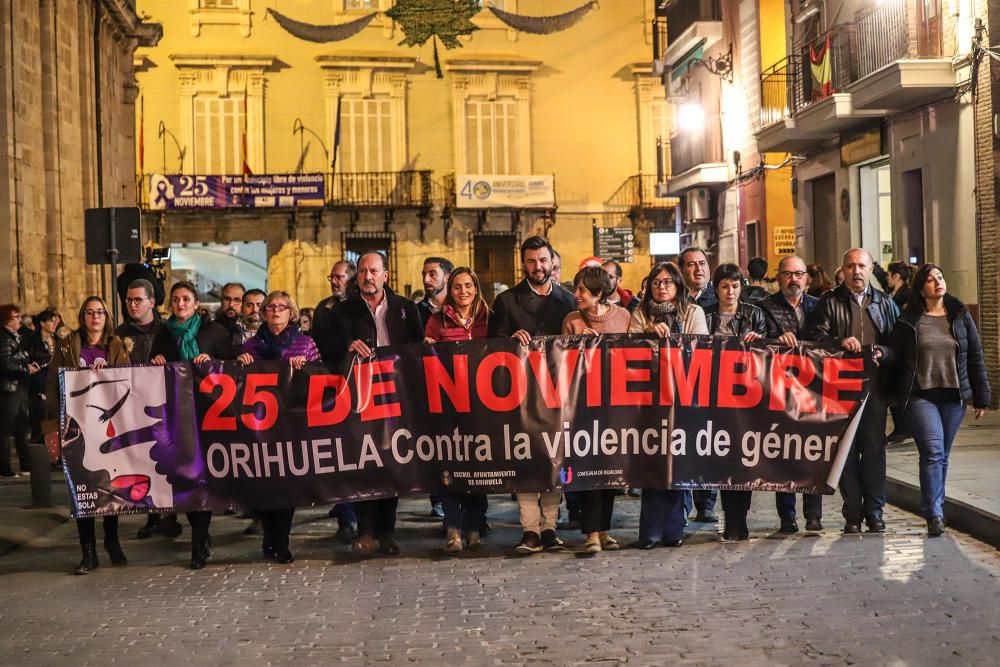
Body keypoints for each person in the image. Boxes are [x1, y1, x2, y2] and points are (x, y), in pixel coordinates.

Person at [326, 252, 423, 557]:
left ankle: (387, 532)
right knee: (364, 462)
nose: (368, 277)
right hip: (359, 398)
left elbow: (419, 349)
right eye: (363, 272)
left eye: (374, 271)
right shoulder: (342, 311)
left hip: (397, 397)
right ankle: (365, 531)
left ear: (386, 275)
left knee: (393, 462)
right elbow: (324, 347)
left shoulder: (406, 309)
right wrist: (346, 347)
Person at [489, 236, 576, 555]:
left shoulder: (568, 300)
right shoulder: (507, 301)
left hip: (559, 392)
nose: (537, 267)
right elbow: (491, 347)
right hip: (520, 393)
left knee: (554, 459)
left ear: (552, 261)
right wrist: (510, 340)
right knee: (525, 460)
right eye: (531, 261)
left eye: (543, 260)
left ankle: (550, 527)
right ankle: (530, 530)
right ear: (522, 264)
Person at [891, 264, 989, 537]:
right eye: (931, 279)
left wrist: (981, 396)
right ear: (921, 288)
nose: (937, 282)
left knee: (942, 455)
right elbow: (896, 357)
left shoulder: (959, 315)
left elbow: (975, 356)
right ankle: (933, 513)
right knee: (933, 453)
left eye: (940, 277)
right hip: (921, 396)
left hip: (953, 397)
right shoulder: (909, 318)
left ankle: (937, 505)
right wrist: (892, 394)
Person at [810, 248, 898, 534]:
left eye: (862, 266)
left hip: (874, 388)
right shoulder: (829, 301)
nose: (856, 271)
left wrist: (883, 353)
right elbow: (816, 339)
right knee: (844, 452)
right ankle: (853, 513)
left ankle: (875, 512)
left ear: (872, 269)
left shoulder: (885, 303)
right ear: (843, 270)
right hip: (839, 389)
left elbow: (898, 346)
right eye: (850, 266)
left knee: (874, 450)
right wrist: (838, 343)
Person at [151, 281, 236, 568]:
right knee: (185, 478)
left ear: (196, 302)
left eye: (186, 299)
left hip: (208, 415)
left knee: (204, 478)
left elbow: (232, 363)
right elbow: (149, 367)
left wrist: (212, 363)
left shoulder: (213, 331)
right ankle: (200, 535)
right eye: (175, 299)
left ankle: (199, 543)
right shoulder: (162, 335)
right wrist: (156, 360)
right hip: (176, 417)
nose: (180, 304)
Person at [45, 297, 130, 574]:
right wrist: (50, 430)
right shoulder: (68, 344)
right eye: (90, 312)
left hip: (108, 427)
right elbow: (54, 384)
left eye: (100, 313)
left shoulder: (116, 346)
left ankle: (112, 540)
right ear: (82, 316)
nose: (95, 317)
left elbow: (128, 382)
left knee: (109, 486)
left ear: (106, 317)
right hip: (75, 428)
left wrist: (109, 374)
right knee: (83, 490)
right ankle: (88, 551)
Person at [628, 261, 709, 549]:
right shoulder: (639, 314)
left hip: (683, 397)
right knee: (652, 465)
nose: (661, 288)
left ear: (677, 286)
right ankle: (649, 532)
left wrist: (671, 338)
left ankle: (674, 530)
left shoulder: (693, 312)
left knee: (678, 466)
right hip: (649, 399)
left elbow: (699, 346)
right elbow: (629, 348)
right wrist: (648, 333)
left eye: (667, 282)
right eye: (656, 283)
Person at [237, 291, 320, 563]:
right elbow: (238, 383)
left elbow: (320, 376)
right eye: (270, 307)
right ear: (263, 314)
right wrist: (241, 366)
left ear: (291, 313)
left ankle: (281, 542)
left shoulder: (305, 343)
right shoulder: (251, 346)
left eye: (281, 307)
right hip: (260, 424)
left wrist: (305, 368)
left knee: (286, 485)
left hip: (291, 423)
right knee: (263, 485)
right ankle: (267, 538)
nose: (275, 311)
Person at [562, 267, 631, 554]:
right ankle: (590, 531)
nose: (576, 295)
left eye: (582, 290)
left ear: (599, 293)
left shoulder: (623, 318)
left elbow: (630, 354)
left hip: (614, 405)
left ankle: (603, 530)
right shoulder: (572, 321)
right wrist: (579, 347)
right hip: (582, 406)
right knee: (588, 468)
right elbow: (560, 360)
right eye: (576, 289)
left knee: (610, 470)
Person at [423, 267, 491, 553]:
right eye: (457, 287)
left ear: (475, 288)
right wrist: (427, 349)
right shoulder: (436, 322)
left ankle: (474, 528)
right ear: (449, 291)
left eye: (468, 286)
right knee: (450, 469)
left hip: (483, 405)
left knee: (480, 470)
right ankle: (453, 529)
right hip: (448, 407)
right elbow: (426, 358)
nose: (463, 291)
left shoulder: (489, 319)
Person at [759, 255, 824, 533]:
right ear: (778, 278)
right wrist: (777, 341)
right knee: (783, 453)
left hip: (813, 391)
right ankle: (787, 518)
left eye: (798, 274)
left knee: (814, 452)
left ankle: (813, 514)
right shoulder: (764, 308)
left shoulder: (819, 307)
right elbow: (759, 342)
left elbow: (827, 338)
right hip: (779, 390)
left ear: (806, 278)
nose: (793, 279)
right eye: (787, 274)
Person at [115, 279, 182, 540]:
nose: (132, 305)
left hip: (164, 406)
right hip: (132, 406)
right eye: (129, 300)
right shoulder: (120, 333)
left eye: (137, 300)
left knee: (166, 459)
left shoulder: (167, 332)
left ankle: (171, 514)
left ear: (151, 302)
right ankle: (153, 514)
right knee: (142, 460)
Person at [703, 264, 766, 540]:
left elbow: (768, 353)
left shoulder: (754, 315)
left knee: (745, 459)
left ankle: (741, 517)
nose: (730, 292)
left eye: (735, 286)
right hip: (714, 397)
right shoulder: (704, 317)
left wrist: (759, 341)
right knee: (723, 459)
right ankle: (731, 518)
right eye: (725, 286)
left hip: (746, 396)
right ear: (716, 288)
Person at [311, 259, 359, 542]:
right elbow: (321, 343)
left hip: (358, 384)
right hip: (331, 384)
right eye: (332, 277)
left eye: (340, 277)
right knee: (339, 450)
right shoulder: (323, 308)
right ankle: (345, 517)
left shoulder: (357, 306)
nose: (334, 281)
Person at [678, 246, 718, 521]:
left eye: (702, 263)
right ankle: (683, 501)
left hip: (712, 379)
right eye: (691, 264)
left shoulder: (721, 299)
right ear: (682, 270)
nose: (698, 269)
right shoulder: (673, 300)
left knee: (708, 441)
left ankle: (706, 502)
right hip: (680, 381)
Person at [416, 256, 454, 519]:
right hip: (426, 388)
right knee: (434, 446)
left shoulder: (465, 306)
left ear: (447, 278)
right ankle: (438, 498)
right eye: (424, 274)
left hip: (460, 388)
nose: (427, 279)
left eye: (433, 274)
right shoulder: (413, 311)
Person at [0, 303, 36, 477]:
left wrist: (24, 360)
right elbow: (5, 363)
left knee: (22, 426)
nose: (20, 320)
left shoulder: (15, 336)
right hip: (9, 388)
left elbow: (25, 355)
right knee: (7, 429)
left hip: (19, 386)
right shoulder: (4, 338)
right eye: (16, 317)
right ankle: (4, 468)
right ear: (7, 320)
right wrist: (24, 367)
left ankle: (26, 465)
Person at [885, 261, 915, 443]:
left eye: (889, 275)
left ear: (896, 276)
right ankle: (902, 427)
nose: (887, 279)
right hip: (894, 344)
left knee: (898, 388)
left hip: (902, 346)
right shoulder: (894, 294)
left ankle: (904, 427)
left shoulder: (907, 295)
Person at [26, 309, 59, 444]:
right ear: (42, 323)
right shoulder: (32, 340)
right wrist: (28, 365)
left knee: (54, 422)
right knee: (40, 421)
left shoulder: (57, 339)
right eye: (51, 320)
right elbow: (25, 358)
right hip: (38, 386)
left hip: (54, 385)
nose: (54, 323)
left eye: (55, 320)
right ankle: (39, 455)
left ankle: (54, 454)